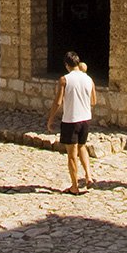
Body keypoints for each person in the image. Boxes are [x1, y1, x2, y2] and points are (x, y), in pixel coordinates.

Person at [45, 50, 96, 194]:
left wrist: (50, 119)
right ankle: (88, 176)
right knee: (82, 147)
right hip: (85, 119)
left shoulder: (64, 80)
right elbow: (93, 101)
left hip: (71, 120)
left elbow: (58, 102)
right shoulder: (89, 79)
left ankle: (74, 186)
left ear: (66, 65)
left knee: (72, 155)